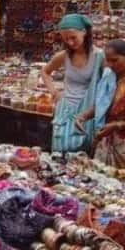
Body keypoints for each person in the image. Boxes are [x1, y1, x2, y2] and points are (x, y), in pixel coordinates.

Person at [76, 39, 125, 186]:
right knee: (100, 184)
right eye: (108, 61)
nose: (111, 65)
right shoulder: (108, 77)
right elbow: (101, 105)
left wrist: (117, 125)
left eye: (115, 60)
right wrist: (83, 116)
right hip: (105, 140)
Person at [42, 14, 104, 153]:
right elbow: (45, 71)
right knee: (60, 150)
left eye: (73, 37)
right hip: (65, 110)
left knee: (83, 153)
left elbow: (106, 87)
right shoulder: (64, 56)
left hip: (87, 112)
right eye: (65, 39)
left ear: (84, 32)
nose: (70, 42)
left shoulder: (100, 57)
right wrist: (54, 92)